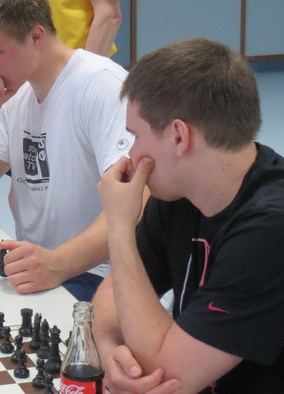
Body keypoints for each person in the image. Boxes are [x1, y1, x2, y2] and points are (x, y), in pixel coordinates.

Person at [93, 38, 284, 394]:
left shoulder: (270, 229)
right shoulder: (179, 192)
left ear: (179, 137)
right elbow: (115, 289)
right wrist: (109, 348)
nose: (131, 155)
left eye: (135, 136)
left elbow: (167, 379)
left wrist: (119, 227)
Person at [0, 0, 132, 302]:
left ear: (35, 36)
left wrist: (59, 263)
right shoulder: (17, 93)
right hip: (41, 268)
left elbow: (135, 204)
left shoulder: (101, 85)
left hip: (101, 275)